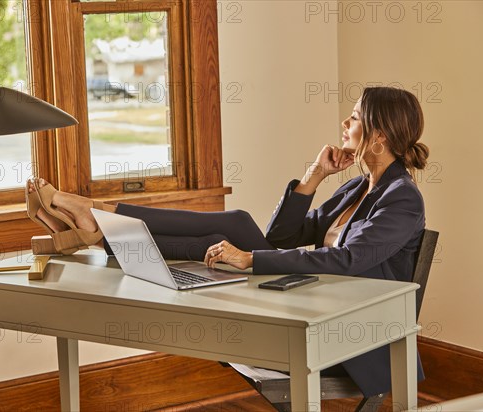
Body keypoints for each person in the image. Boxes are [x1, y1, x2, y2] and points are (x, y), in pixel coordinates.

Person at [26, 86, 429, 397]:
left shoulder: (402, 199)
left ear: (378, 135)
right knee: (223, 233)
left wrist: (250, 260)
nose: (345, 122)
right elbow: (282, 236)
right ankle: (97, 229)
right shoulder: (360, 186)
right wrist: (314, 176)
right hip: (317, 305)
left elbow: (346, 260)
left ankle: (94, 220)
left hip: (353, 331)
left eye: (355, 117)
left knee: (235, 225)